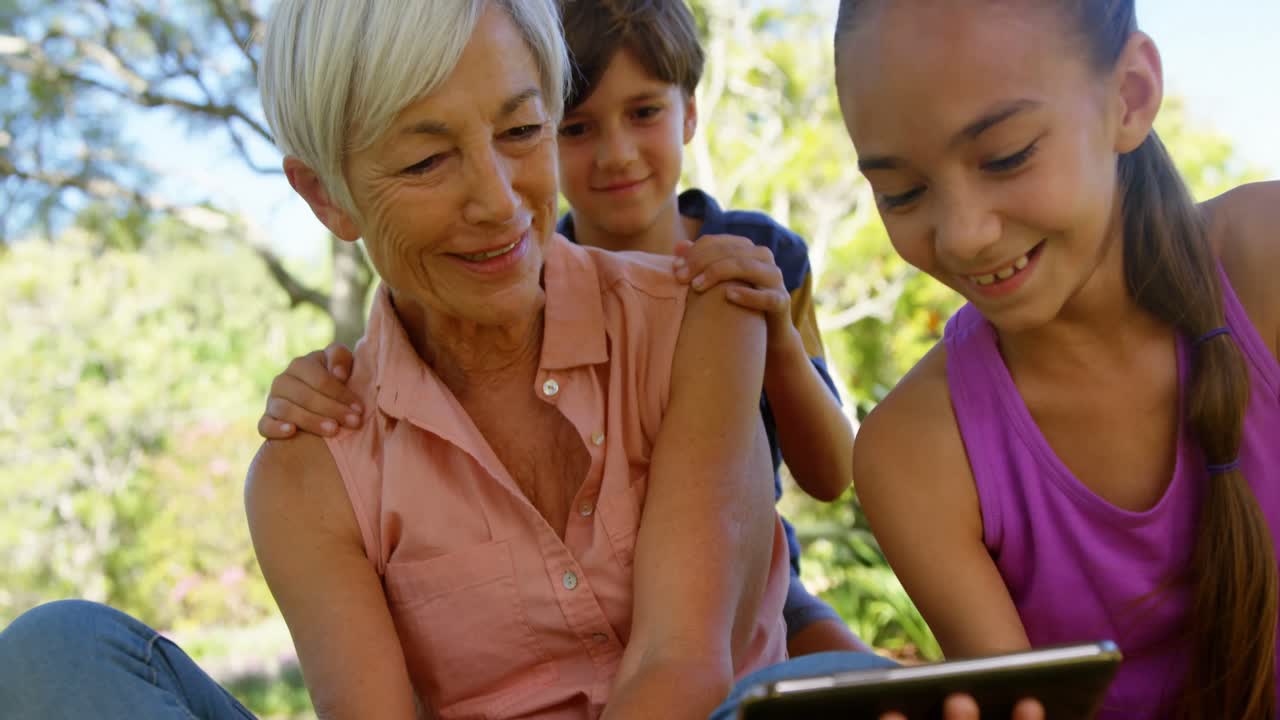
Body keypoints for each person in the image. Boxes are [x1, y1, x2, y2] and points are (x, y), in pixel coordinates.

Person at [0, 1, 796, 718]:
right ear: (326, 196)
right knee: (57, 650)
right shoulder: (310, 475)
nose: (498, 201)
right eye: (425, 162)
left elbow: (684, 665)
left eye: (520, 132)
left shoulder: (702, 317)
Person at [256, 0, 867, 658]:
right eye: (577, 129)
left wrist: (770, 339)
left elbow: (830, 475)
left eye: (519, 131)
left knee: (863, 675)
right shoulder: (512, 272)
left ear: (690, 111)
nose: (617, 155)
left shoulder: (748, 260)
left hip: (760, 566)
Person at [834, 1, 1280, 718]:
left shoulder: (1269, 258)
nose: (963, 237)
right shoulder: (915, 451)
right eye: (902, 192)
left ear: (1130, 95)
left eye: (1006, 155)